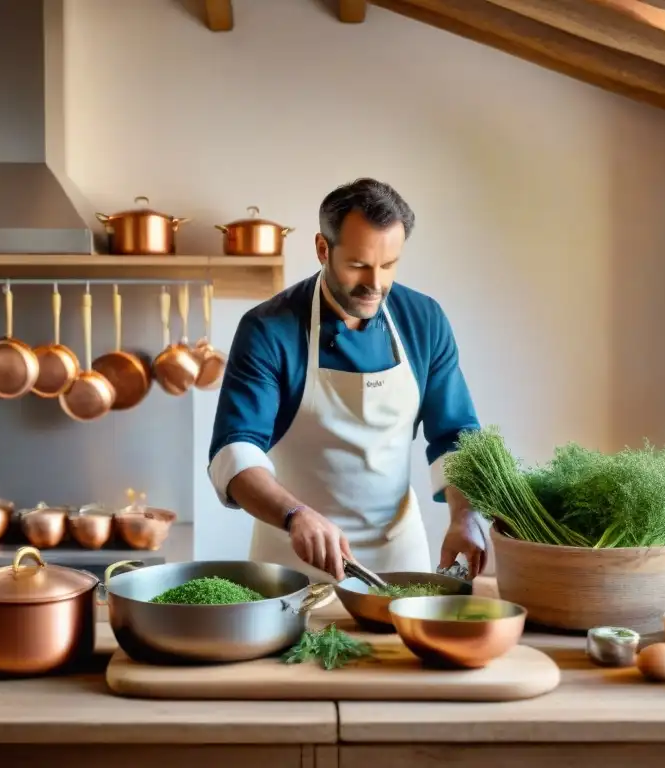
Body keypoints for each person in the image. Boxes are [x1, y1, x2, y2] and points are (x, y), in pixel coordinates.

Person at [207, 178, 490, 583]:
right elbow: (233, 453)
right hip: (292, 562)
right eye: (358, 264)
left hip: (397, 559)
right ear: (323, 249)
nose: (375, 284)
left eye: (388, 265)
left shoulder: (423, 320)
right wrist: (295, 515)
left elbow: (456, 435)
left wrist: (466, 514)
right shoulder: (269, 329)